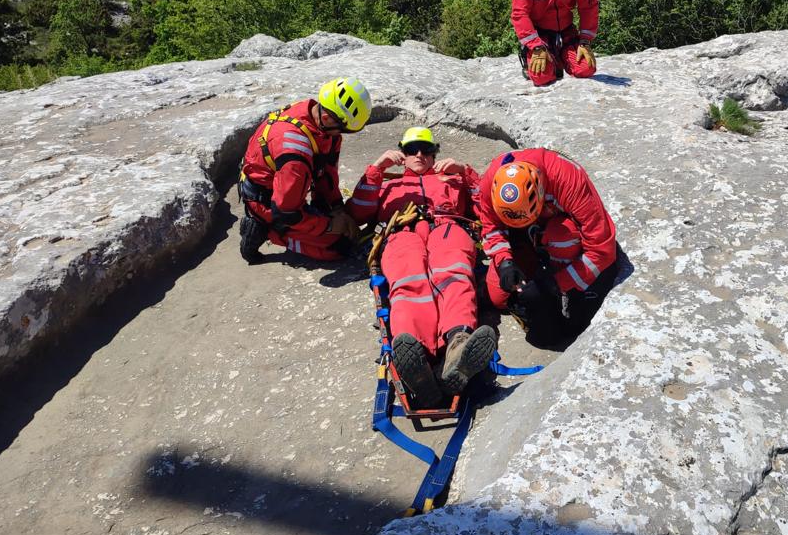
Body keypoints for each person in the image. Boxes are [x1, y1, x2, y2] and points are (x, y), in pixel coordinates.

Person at [349, 126, 497, 406]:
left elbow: (485, 205)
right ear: (402, 154)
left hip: (447, 228)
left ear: (434, 155)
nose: (420, 154)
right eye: (411, 149)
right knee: (409, 282)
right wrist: (377, 169)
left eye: (427, 150)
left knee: (454, 276)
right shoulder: (388, 184)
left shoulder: (452, 181)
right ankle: (415, 355)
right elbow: (356, 211)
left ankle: (457, 345)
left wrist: (465, 172)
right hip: (402, 233)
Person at [478, 149, 619, 346]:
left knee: (561, 237)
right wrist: (505, 263)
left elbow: (602, 249)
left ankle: (564, 290)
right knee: (499, 296)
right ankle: (534, 268)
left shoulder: (568, 180)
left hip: (559, 228)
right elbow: (491, 228)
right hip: (523, 235)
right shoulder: (489, 183)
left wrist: (555, 283)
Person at [237, 77, 370, 263]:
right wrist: (331, 226)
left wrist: (337, 208)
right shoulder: (295, 153)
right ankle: (266, 230)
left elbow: (327, 172)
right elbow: (286, 211)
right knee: (338, 247)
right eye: (343, 129)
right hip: (269, 202)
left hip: (286, 187)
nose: (341, 135)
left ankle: (309, 221)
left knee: (344, 223)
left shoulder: (314, 116)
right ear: (326, 118)